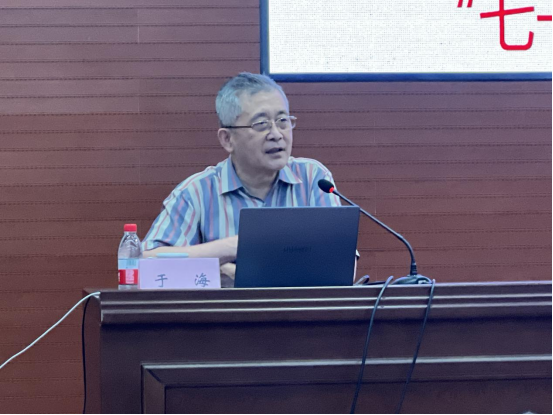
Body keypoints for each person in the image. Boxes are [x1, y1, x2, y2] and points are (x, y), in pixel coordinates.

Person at [142, 72, 355, 286]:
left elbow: (342, 265)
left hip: (300, 307)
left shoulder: (313, 179)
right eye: (261, 124)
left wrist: (236, 270)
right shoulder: (196, 192)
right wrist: (231, 249)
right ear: (227, 139)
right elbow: (144, 266)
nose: (277, 134)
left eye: (282, 121)